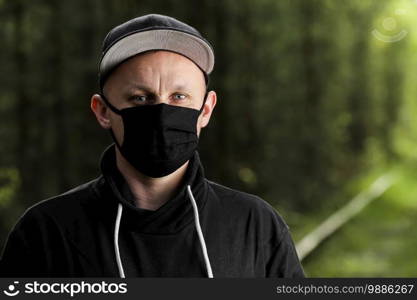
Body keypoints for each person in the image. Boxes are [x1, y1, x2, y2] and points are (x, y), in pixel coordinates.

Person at [0, 14, 304, 278]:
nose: (161, 112)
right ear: (103, 111)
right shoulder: (46, 232)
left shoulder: (255, 224)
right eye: (140, 98)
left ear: (206, 110)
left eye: (179, 97)